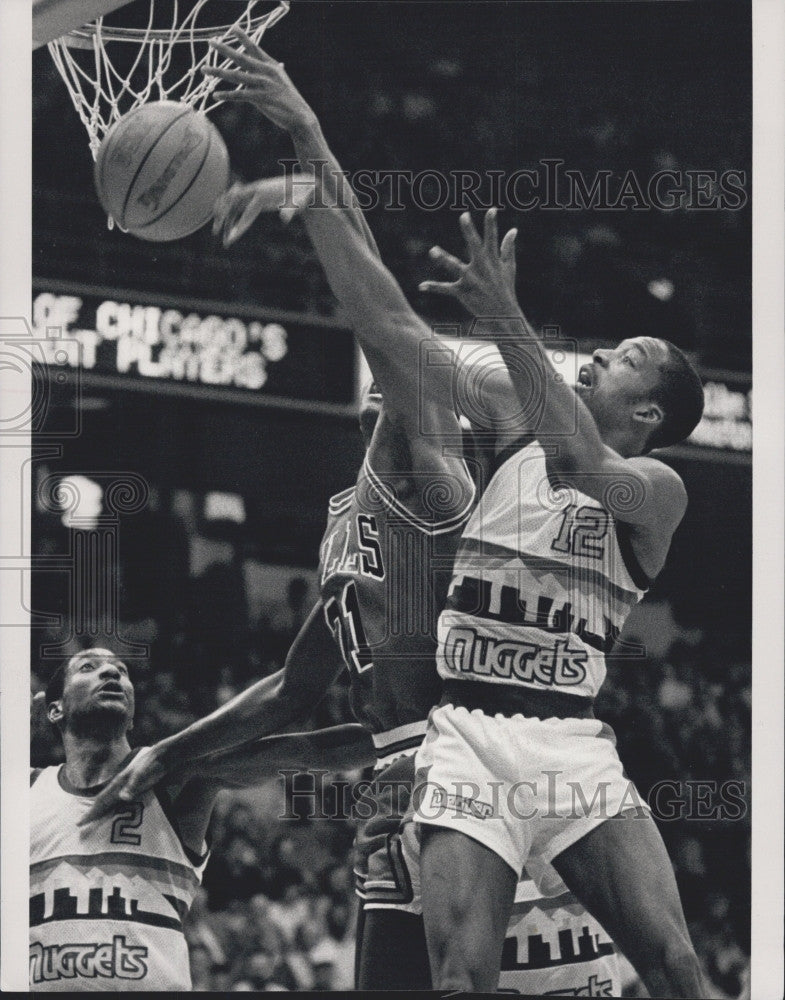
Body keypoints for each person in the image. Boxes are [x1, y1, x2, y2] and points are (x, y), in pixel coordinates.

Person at [80, 32, 624, 995]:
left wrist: (308, 144)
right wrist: (176, 752)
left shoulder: (432, 465)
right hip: (397, 775)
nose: (406, 373)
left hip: (464, 788)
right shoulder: (357, 509)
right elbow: (297, 688)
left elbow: (378, 311)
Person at [411, 209, 707, 996]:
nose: (604, 351)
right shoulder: (515, 421)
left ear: (647, 412)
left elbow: (576, 459)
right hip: (468, 730)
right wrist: (314, 169)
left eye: (627, 358)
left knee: (676, 965)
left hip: (570, 742)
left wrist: (505, 313)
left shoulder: (655, 491)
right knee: (460, 978)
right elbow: (395, 336)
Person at [30, 647, 373, 991]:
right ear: (54, 709)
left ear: (132, 713)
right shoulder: (25, 790)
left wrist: (406, 736)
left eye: (121, 670)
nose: (111, 674)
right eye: (88, 667)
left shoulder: (176, 776)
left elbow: (310, 751)